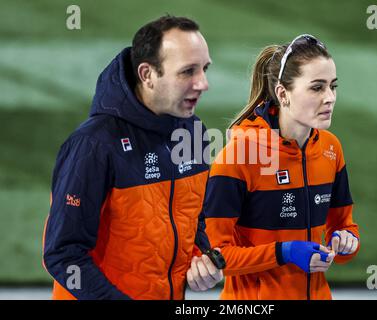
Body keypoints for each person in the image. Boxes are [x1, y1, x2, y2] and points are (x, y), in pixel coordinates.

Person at [42, 15, 223, 300]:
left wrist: (203, 259)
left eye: (204, 69)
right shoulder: (93, 145)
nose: (203, 83)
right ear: (147, 74)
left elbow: (194, 218)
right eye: (188, 71)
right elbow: (63, 255)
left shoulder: (194, 133)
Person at [203, 34, 360, 300]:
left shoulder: (331, 149)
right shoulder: (239, 157)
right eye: (317, 87)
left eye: (333, 86)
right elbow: (215, 256)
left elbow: (343, 226)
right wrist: (284, 252)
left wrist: (346, 241)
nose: (330, 97)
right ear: (282, 94)